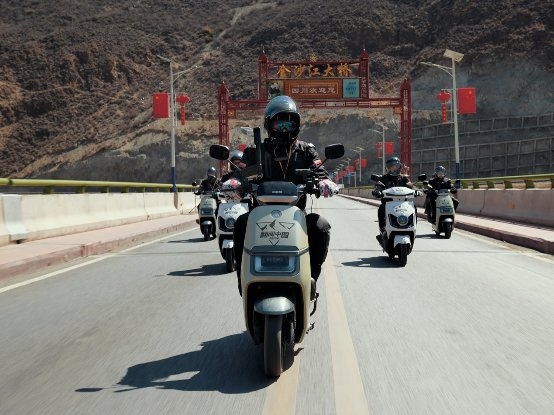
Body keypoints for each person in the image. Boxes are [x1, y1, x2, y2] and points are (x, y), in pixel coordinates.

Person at [233, 95, 339, 296]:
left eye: (289, 123)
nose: (284, 128)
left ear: (296, 125)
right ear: (269, 124)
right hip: (260, 215)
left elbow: (319, 170)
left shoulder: (306, 150)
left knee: (320, 226)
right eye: (279, 123)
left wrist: (325, 182)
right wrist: (234, 183)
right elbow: (240, 173)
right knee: (240, 223)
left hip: (296, 215)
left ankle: (311, 280)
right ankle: (242, 281)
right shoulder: (255, 151)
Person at [372, 156, 413, 232]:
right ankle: (382, 229)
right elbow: (379, 185)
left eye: (396, 166)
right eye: (392, 167)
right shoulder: (383, 178)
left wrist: (413, 189)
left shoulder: (404, 178)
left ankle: (412, 228)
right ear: (388, 168)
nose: (394, 168)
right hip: (388, 202)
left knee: (414, 208)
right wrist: (377, 190)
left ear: (399, 167)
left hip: (403, 203)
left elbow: (409, 184)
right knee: (381, 209)